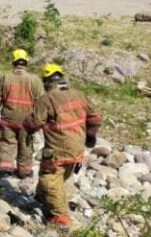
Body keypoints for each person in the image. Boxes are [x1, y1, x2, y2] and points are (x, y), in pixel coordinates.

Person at [24, 64, 103, 226]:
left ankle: (61, 217)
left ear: (46, 81)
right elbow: (96, 117)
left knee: (49, 178)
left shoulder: (46, 99)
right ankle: (44, 199)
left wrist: (25, 128)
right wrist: (91, 136)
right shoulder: (79, 95)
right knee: (65, 174)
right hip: (77, 148)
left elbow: (34, 124)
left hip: (58, 149)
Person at [0, 49, 44, 178]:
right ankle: (24, 171)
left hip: (8, 118)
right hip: (27, 120)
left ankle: (6, 167)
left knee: (7, 142)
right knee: (25, 144)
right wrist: (39, 121)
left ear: (13, 62)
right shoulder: (34, 80)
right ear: (26, 63)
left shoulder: (6, 78)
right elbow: (41, 102)